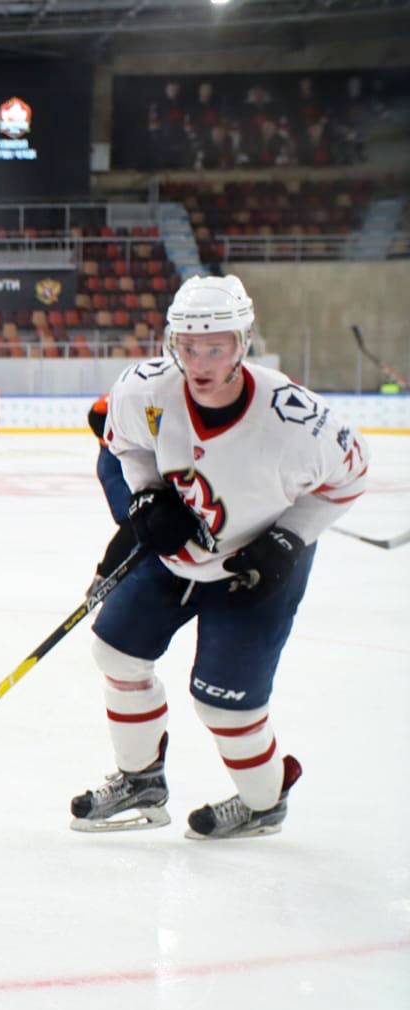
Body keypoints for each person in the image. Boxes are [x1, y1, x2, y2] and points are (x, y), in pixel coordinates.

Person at [69, 275, 368, 839]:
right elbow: (124, 445)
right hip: (175, 556)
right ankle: (140, 781)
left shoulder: (296, 420)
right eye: (188, 346)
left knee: (225, 706)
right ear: (171, 343)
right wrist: (148, 495)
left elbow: (351, 477)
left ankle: (264, 803)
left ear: (242, 343)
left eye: (216, 347)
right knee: (117, 654)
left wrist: (289, 538)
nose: (200, 362)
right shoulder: (143, 390)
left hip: (250, 569)